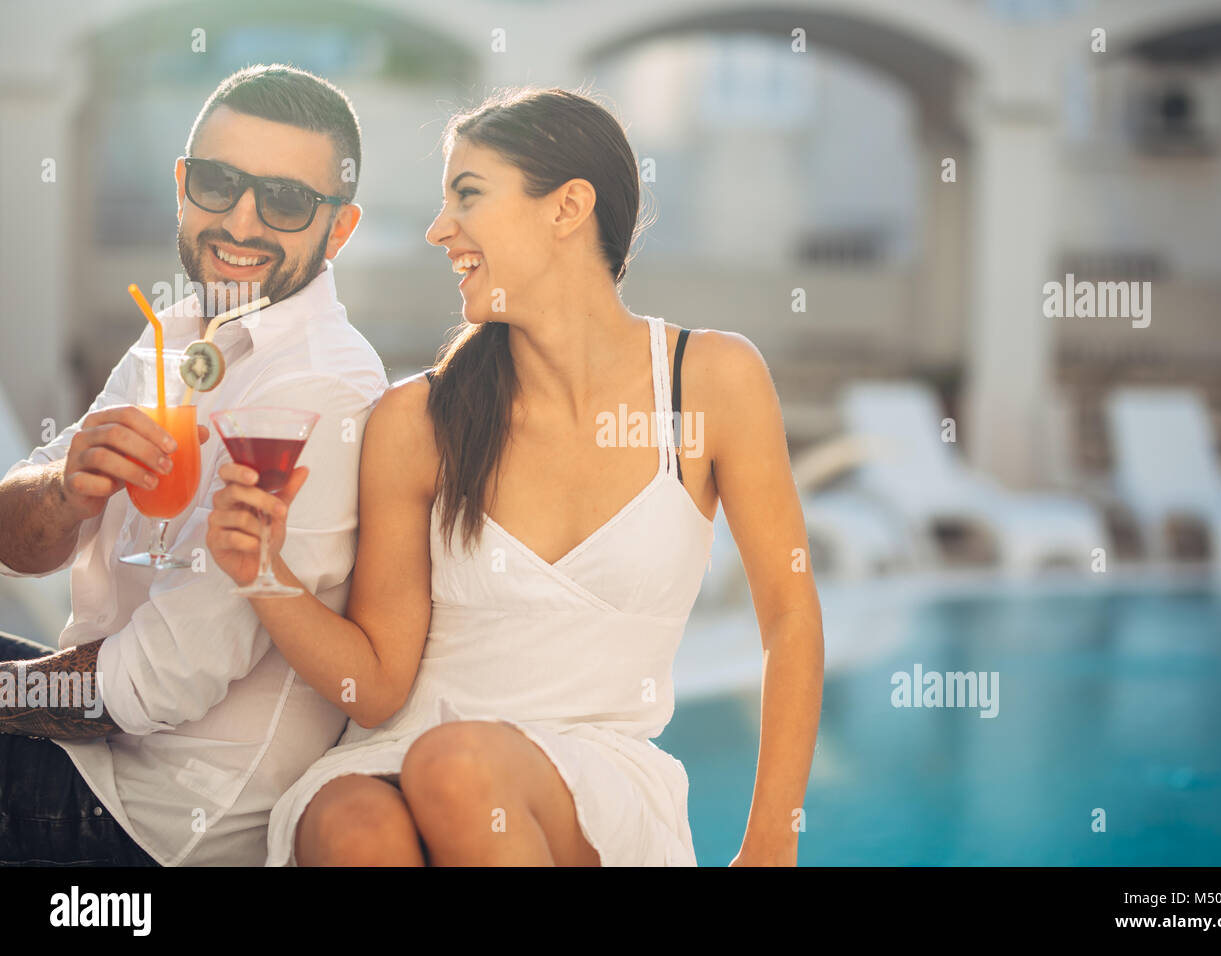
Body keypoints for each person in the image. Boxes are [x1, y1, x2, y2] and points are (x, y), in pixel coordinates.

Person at [208, 87, 824, 867]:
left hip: (591, 782)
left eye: (468, 196)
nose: (440, 231)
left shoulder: (711, 381)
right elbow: (379, 687)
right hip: (398, 753)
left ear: (567, 207)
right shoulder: (418, 420)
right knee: (353, 823)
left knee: (458, 768)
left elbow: (791, 617)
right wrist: (264, 574)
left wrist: (771, 845)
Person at [0, 64, 387, 866]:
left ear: (338, 229)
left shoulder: (321, 389)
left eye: (283, 200)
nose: (241, 222)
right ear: (183, 186)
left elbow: (153, 687)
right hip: (88, 749)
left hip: (148, 823)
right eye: (218, 182)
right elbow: (15, 546)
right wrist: (64, 491)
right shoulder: (179, 328)